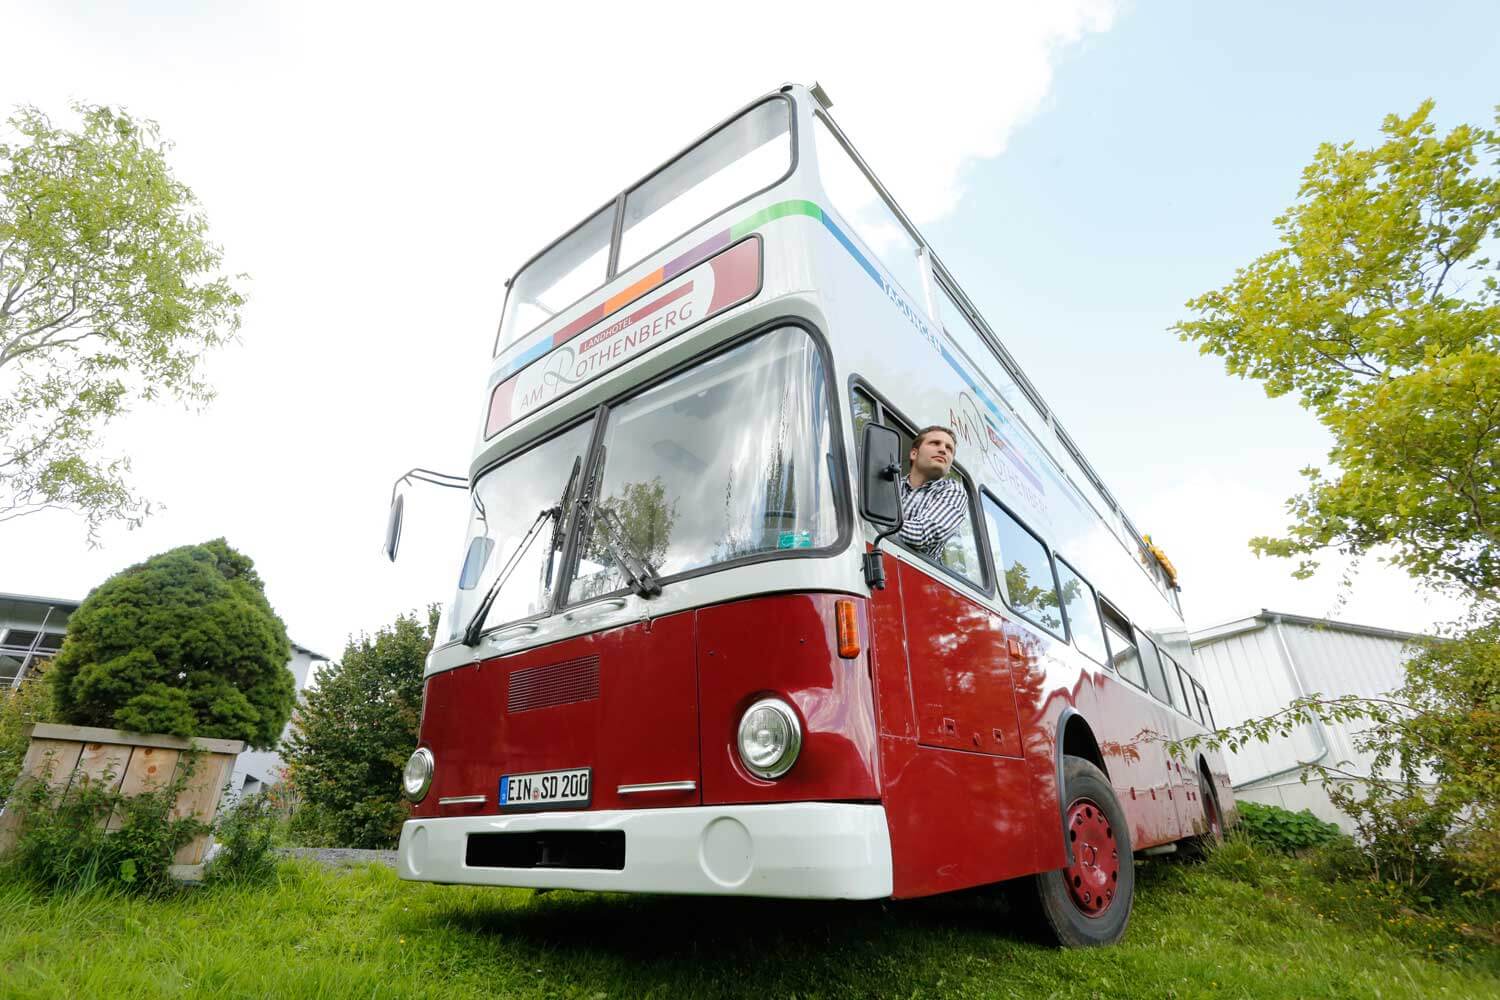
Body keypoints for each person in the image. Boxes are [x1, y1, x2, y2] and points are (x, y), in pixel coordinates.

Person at [899, 425, 966, 557]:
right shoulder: (890, 483)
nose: (943, 450)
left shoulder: (954, 491)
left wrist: (875, 522)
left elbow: (922, 534)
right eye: (935, 443)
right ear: (914, 453)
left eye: (949, 448)